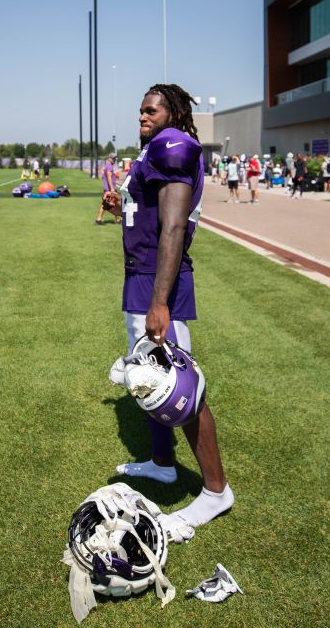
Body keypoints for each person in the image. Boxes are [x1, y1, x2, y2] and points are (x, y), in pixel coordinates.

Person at [100, 83, 234, 533]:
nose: (143, 115)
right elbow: (153, 215)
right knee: (146, 378)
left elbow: (174, 226)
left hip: (159, 284)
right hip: (139, 277)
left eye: (151, 109)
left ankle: (216, 491)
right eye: (140, 109)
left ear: (173, 112)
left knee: (181, 387)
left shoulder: (174, 144)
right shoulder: (153, 149)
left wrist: (160, 302)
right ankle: (162, 463)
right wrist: (123, 206)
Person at [95, 154, 120, 225]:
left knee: (114, 204)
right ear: (109, 158)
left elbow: (104, 175)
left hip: (108, 189)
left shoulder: (107, 166)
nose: (114, 160)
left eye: (115, 158)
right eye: (113, 158)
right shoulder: (109, 167)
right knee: (106, 205)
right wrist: (112, 189)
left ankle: (118, 220)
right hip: (110, 190)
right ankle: (98, 219)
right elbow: (109, 177)